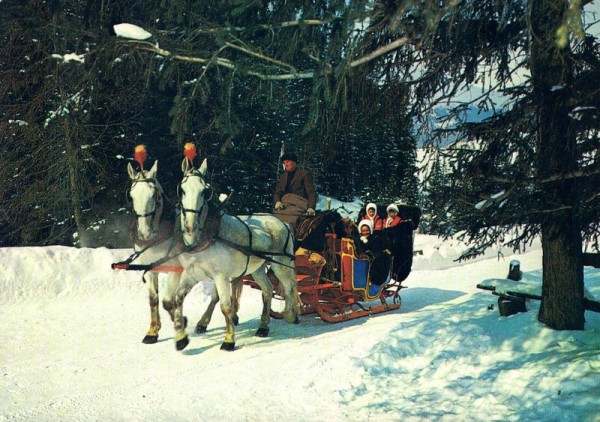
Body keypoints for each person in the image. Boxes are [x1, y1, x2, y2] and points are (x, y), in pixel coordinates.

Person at [273, 152, 317, 217]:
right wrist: (277, 202)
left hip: (299, 204)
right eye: (284, 163)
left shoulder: (304, 174)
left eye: (287, 162)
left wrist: (311, 207)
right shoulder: (282, 177)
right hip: (284, 204)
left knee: (291, 218)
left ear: (294, 162)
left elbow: (311, 192)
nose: (286, 164)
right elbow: (278, 192)